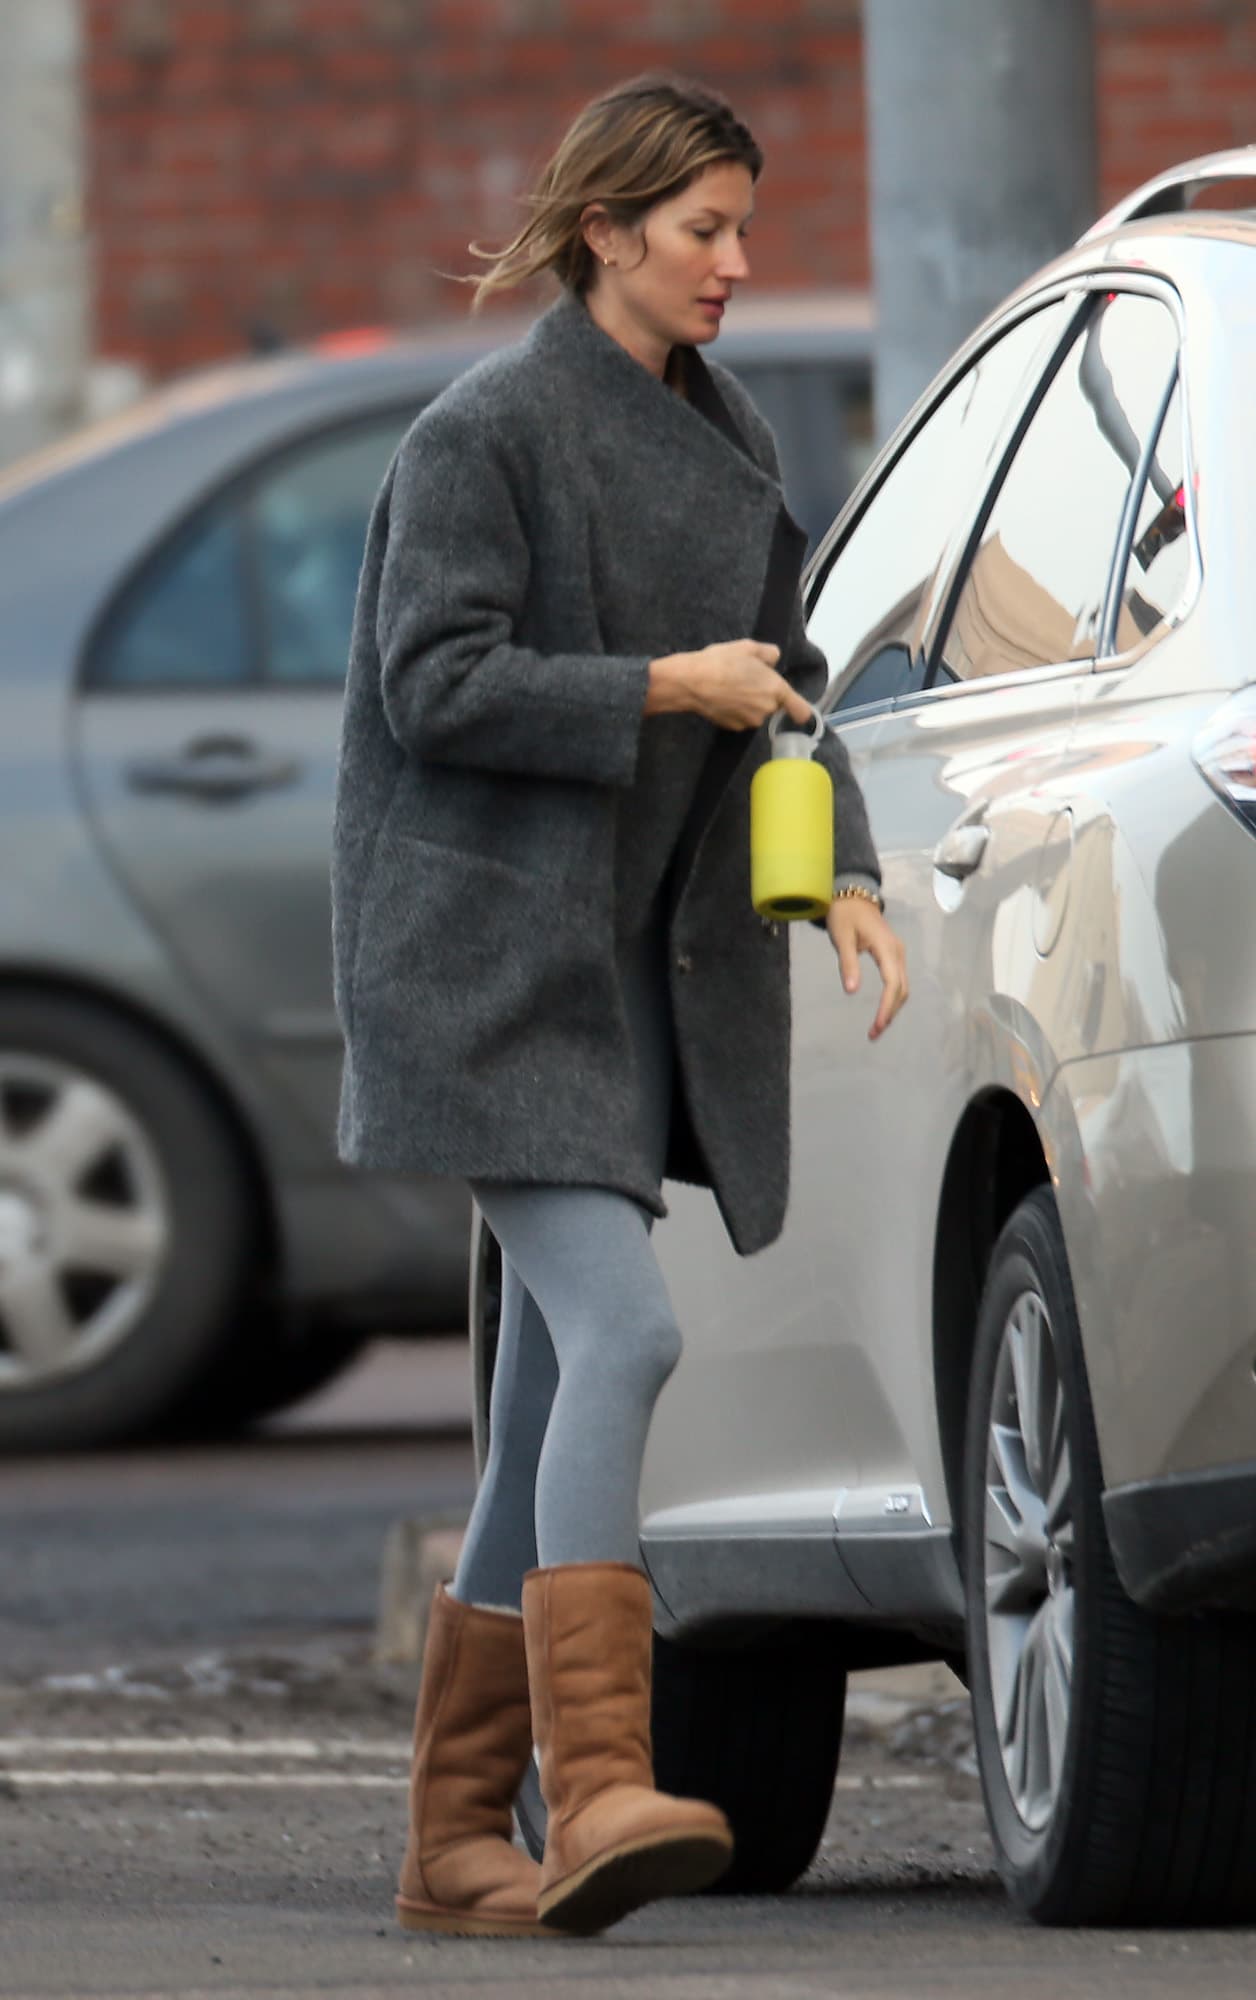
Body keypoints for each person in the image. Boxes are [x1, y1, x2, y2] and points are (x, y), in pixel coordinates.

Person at [331, 73, 909, 1941]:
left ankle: (452, 1844)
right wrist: (661, 684)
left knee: (541, 1402)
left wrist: (850, 879)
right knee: (624, 1337)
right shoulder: (486, 433)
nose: (739, 264)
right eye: (704, 232)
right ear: (607, 232)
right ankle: (591, 1784)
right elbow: (436, 688)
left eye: (745, 228)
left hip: (642, 969)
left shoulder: (729, 439)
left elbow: (791, 690)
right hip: (490, 971)